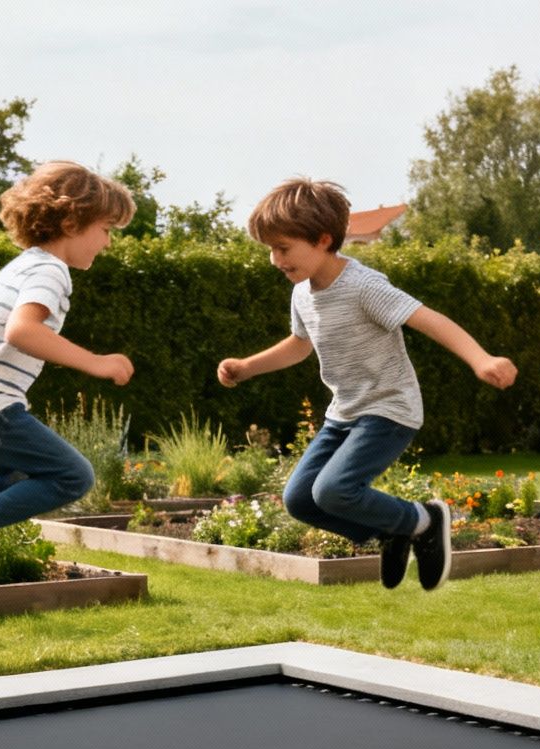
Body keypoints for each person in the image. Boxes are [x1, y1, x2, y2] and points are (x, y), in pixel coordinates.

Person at [215, 178, 516, 590]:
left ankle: (424, 521)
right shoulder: (303, 293)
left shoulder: (363, 286)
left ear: (322, 240)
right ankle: (393, 530)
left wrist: (482, 358)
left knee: (335, 489)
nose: (274, 259)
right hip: (344, 413)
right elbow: (300, 345)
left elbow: (429, 319)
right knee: (300, 499)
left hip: (388, 409)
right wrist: (248, 366)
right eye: (270, 249)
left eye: (283, 248)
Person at [0, 161, 137, 598]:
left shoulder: (20, 265)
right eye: (106, 228)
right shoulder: (50, 271)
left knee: (24, 475)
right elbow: (22, 330)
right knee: (73, 476)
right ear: (72, 221)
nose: (108, 242)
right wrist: (97, 362)